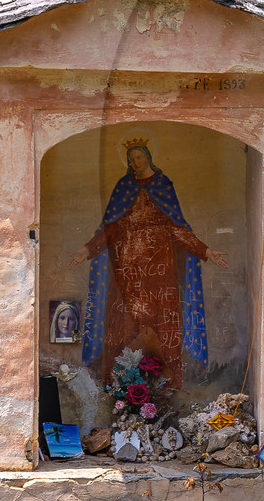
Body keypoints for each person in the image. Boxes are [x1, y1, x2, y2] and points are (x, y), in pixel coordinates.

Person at [71, 139, 228, 389]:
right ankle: (117, 385)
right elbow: (111, 229)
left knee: (163, 322)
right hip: (127, 269)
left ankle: (168, 384)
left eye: (138, 157)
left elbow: (177, 229)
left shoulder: (163, 185)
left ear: (148, 157)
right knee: (122, 323)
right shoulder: (124, 187)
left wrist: (207, 251)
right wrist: (87, 250)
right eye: (131, 159)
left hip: (159, 269)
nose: (135, 162)